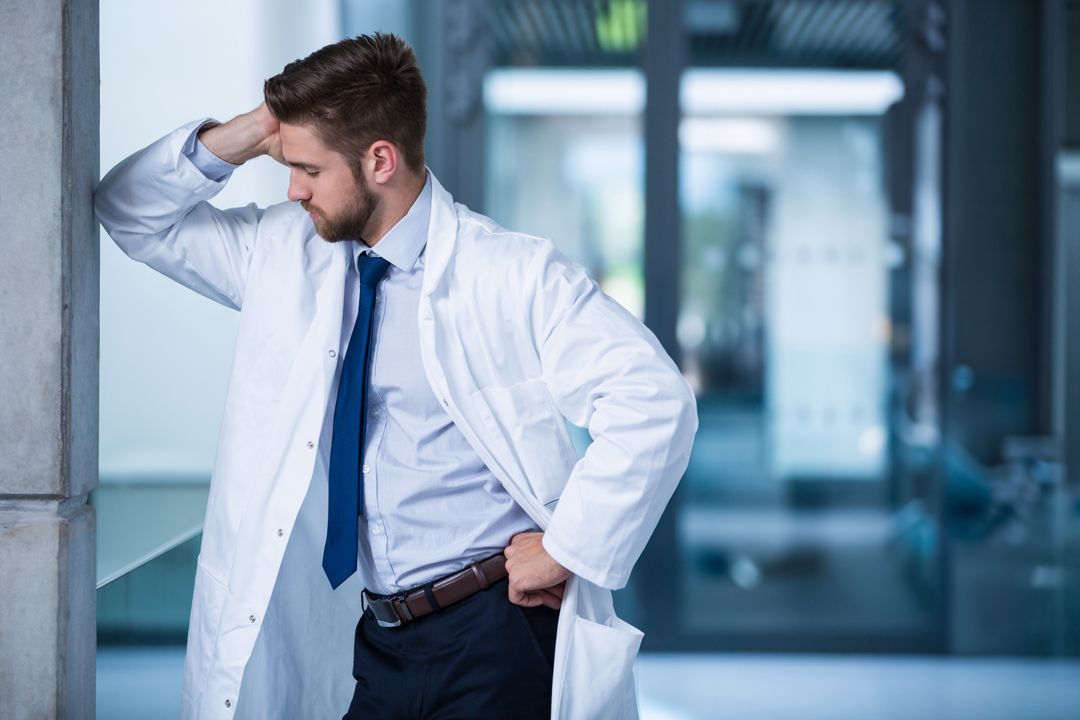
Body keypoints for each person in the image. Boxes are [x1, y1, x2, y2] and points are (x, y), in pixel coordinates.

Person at [94, 32, 697, 720]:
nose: (292, 190)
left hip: (493, 631)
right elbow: (129, 211)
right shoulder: (284, 253)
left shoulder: (513, 272)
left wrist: (567, 549)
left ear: (379, 159)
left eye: (310, 169)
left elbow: (654, 401)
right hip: (376, 638)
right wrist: (258, 127)